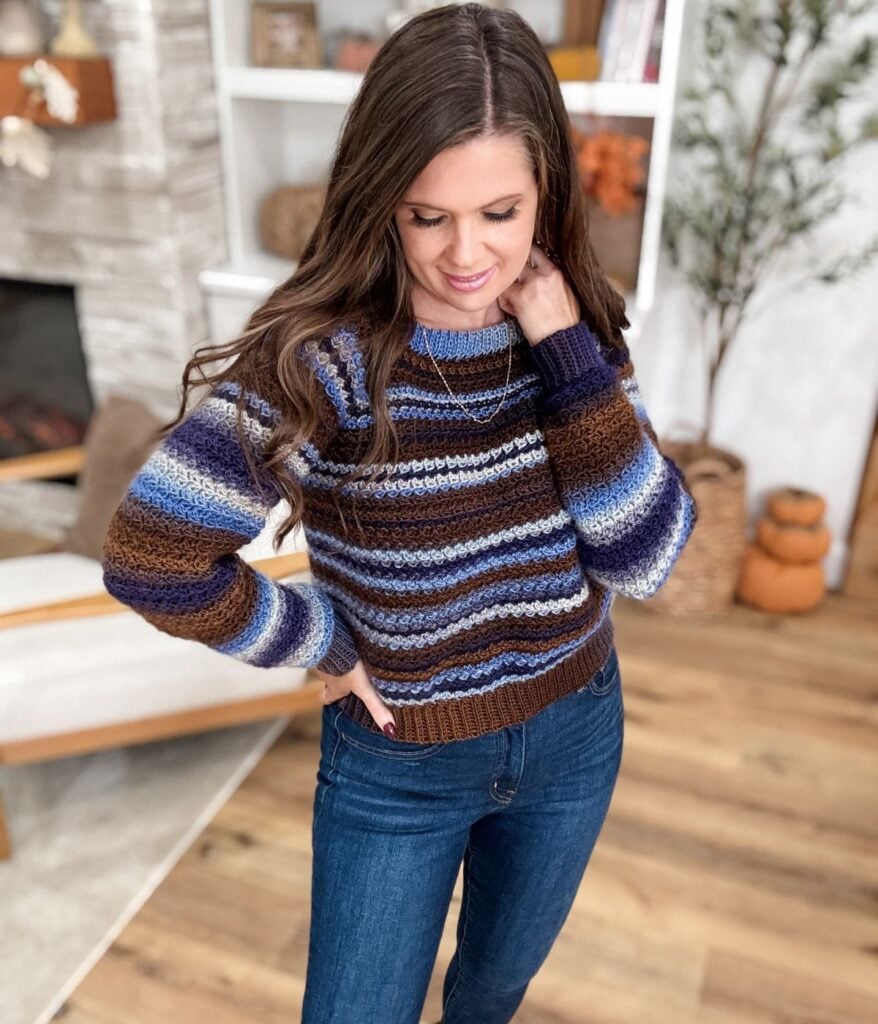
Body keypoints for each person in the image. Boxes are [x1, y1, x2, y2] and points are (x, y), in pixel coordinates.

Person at [101, 4, 697, 1022]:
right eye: (427, 216)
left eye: (499, 212)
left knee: (491, 993)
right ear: (381, 199)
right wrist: (321, 640)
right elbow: (153, 555)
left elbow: (642, 558)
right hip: (399, 760)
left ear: (546, 192)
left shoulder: (575, 328)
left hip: (575, 729)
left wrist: (566, 355)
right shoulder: (321, 359)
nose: (466, 254)